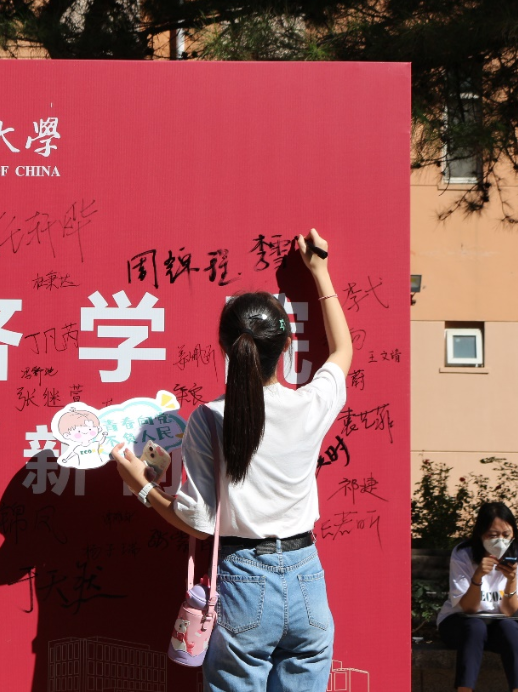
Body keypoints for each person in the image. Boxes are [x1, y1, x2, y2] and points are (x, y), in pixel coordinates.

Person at [113, 228, 352, 692]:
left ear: (226, 349)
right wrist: (320, 271)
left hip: (244, 581)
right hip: (307, 575)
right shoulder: (311, 404)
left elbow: (198, 523)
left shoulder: (209, 418)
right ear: (286, 346)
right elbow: (343, 351)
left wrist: (141, 485)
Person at [436, 502, 518, 692]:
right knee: (475, 627)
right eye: (493, 535)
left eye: (506, 535)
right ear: (480, 534)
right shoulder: (463, 554)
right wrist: (478, 576)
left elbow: (509, 611)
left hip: (503, 624)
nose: (500, 541)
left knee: (510, 628)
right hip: (461, 622)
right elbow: (469, 608)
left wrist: (511, 580)